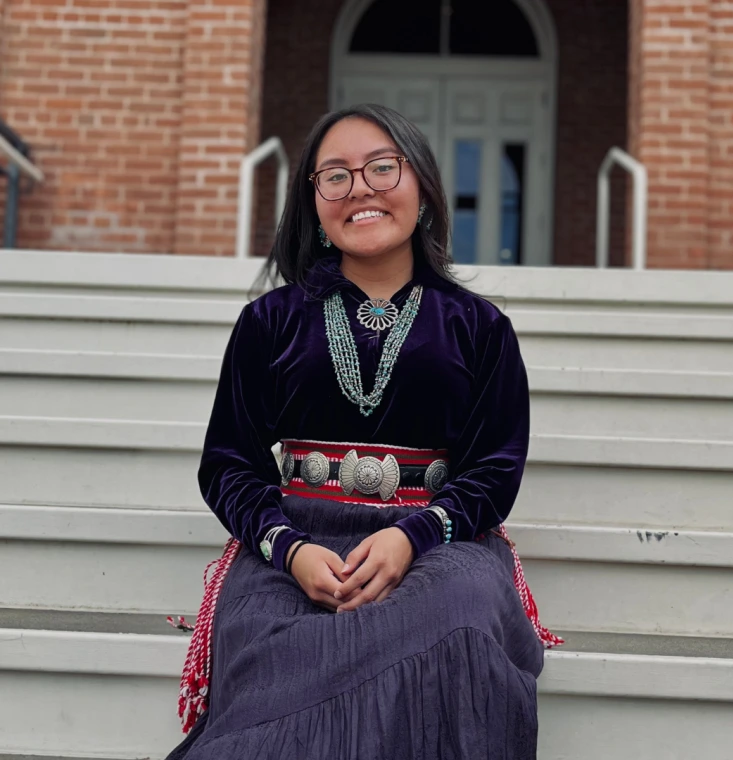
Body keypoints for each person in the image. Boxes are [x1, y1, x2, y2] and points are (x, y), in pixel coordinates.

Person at [166, 103, 561, 760]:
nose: (362, 188)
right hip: (296, 543)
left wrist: (412, 539)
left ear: (424, 187)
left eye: (383, 167)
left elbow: (493, 469)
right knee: (274, 650)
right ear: (313, 202)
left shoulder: (479, 326)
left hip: (436, 540)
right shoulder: (269, 321)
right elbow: (229, 463)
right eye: (336, 176)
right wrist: (288, 549)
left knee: (459, 620)